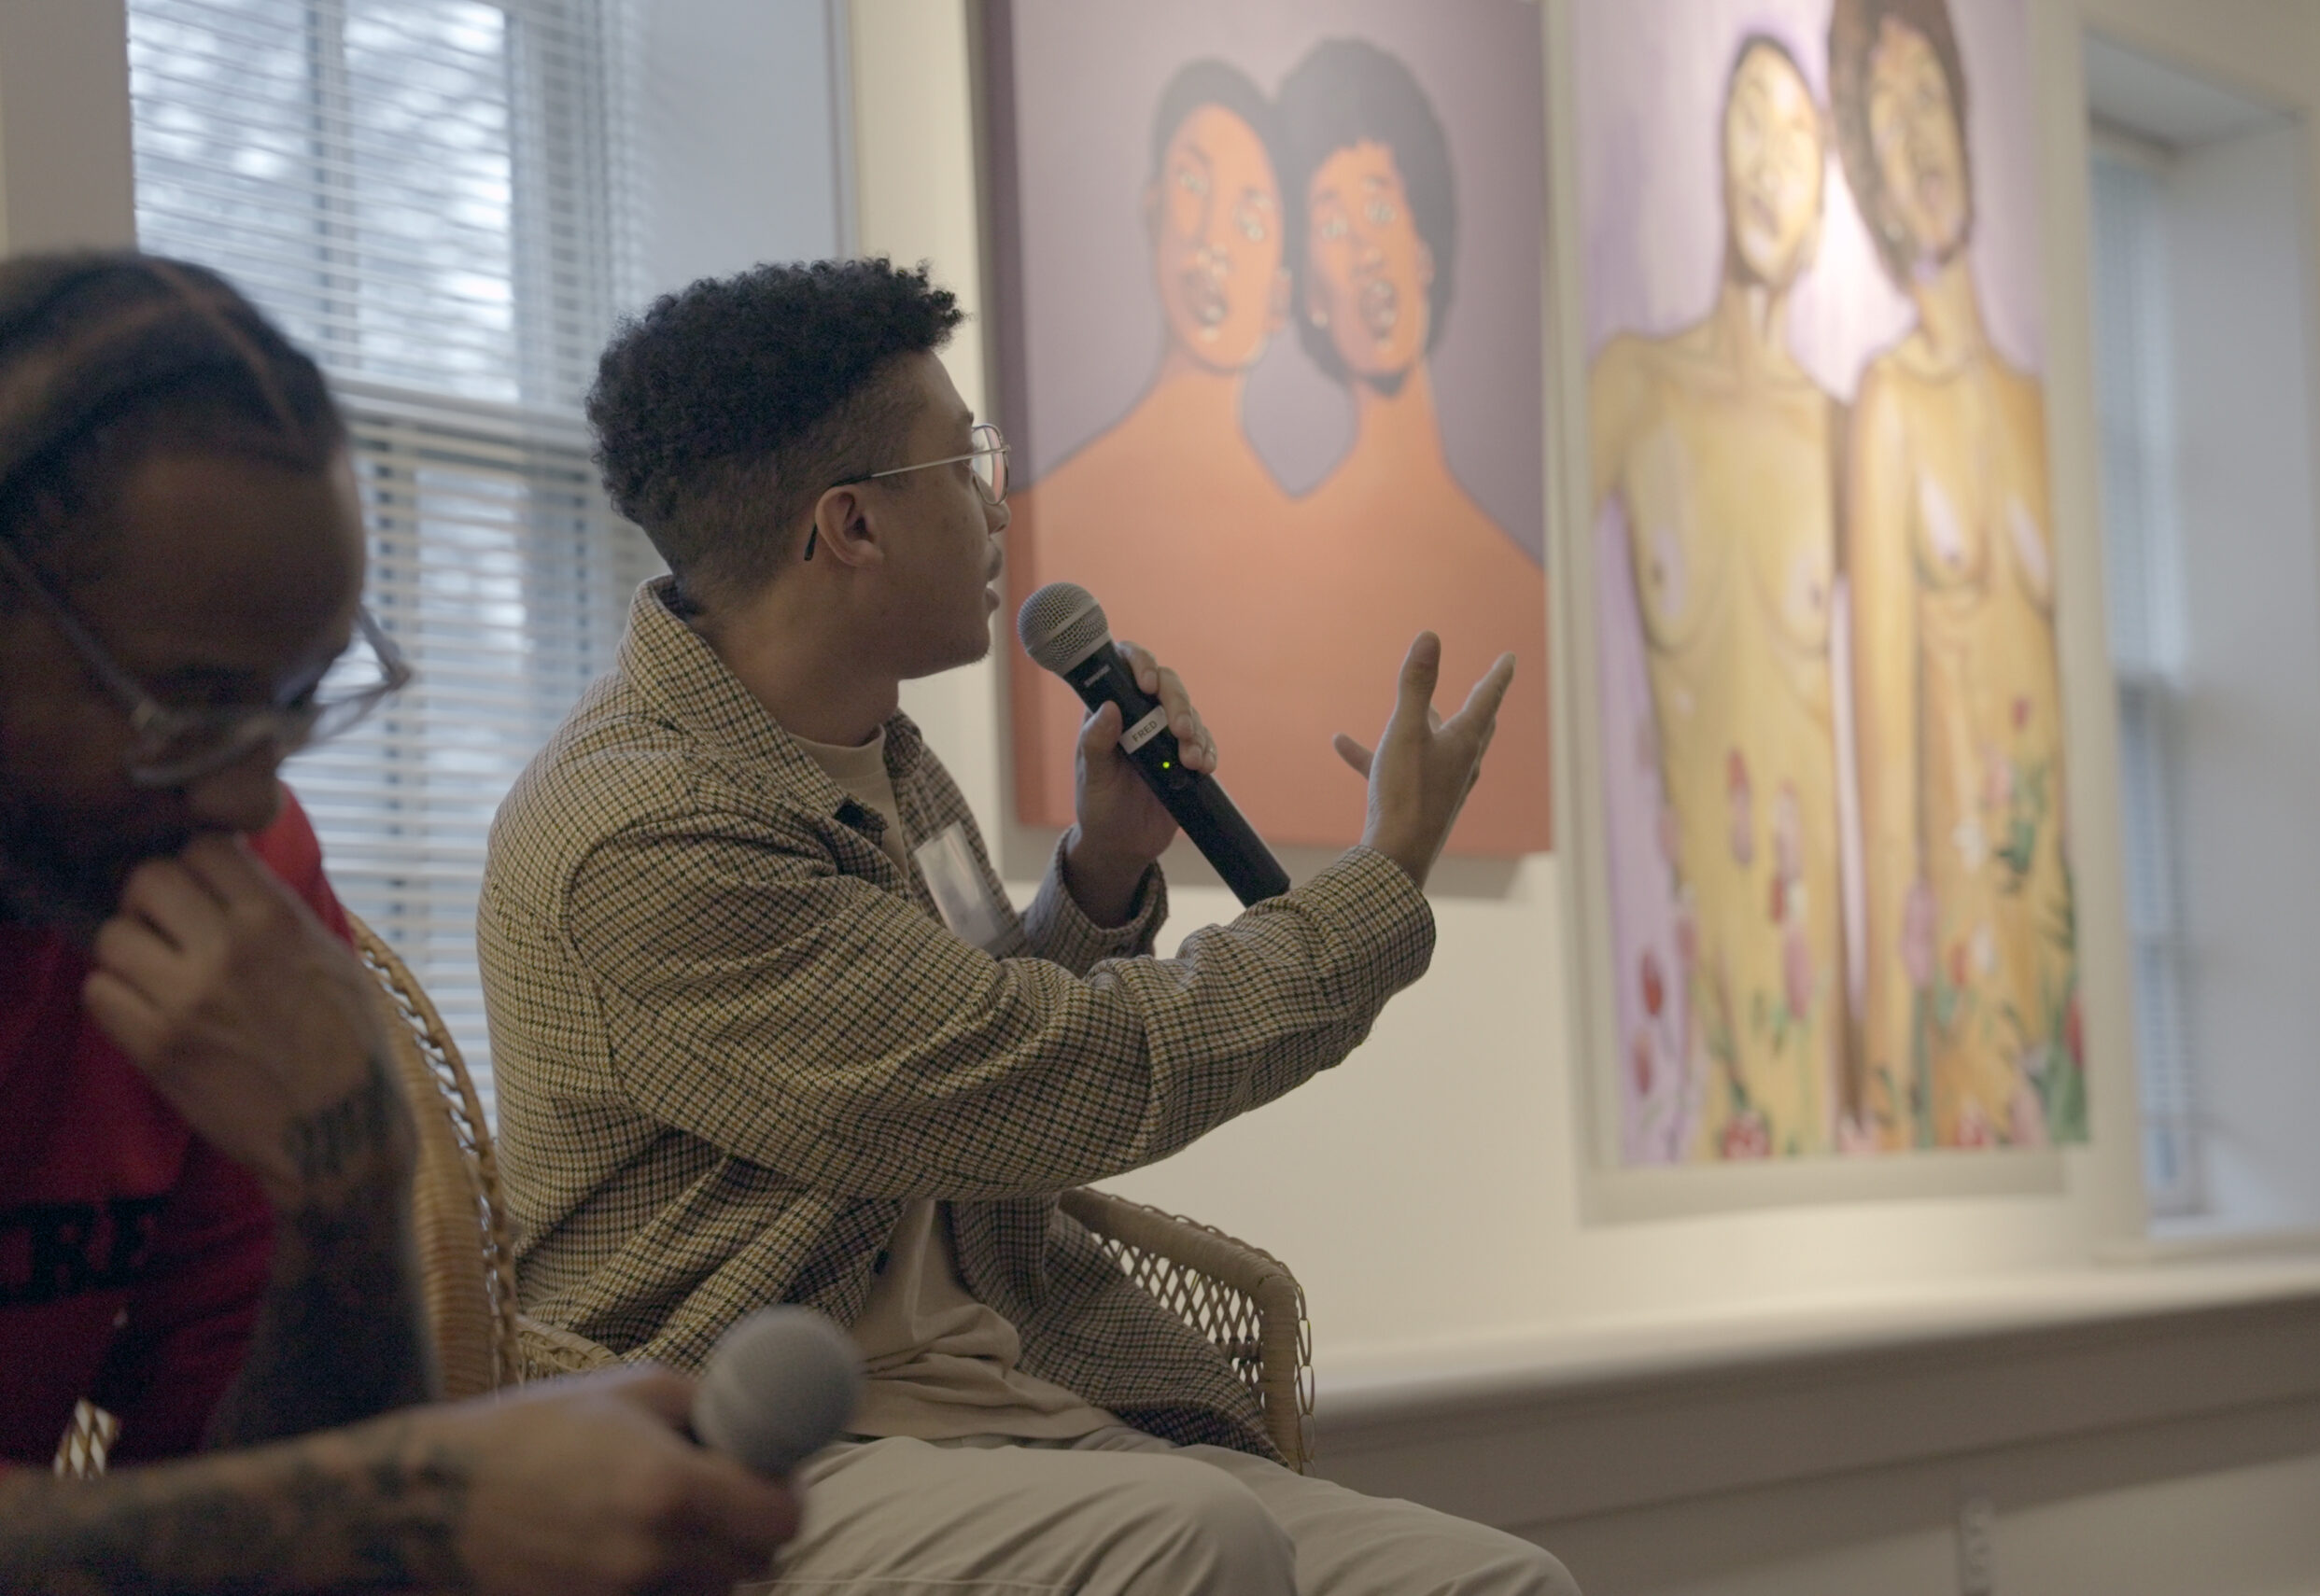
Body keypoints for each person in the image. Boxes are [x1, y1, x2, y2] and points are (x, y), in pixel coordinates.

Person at [479, 256, 1575, 1594]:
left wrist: (1103, 871)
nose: (998, 505)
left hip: (1009, 1393)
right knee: (1194, 1536)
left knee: (1495, 1581)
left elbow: (962, 1030)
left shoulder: (882, 758)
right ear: (851, 525)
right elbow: (1046, 1076)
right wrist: (1384, 871)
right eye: (965, 462)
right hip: (752, 1434)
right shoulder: (643, 835)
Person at [0, 253, 797, 1594]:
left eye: (297, 703)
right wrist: (418, 1498)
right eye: (186, 708)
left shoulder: (231, 874)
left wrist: (351, 1187)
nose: (251, 794)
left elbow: (277, 1515)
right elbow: (339, 1511)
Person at [1586, 35, 1848, 1159]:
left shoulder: (1839, 430)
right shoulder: (1634, 385)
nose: (1768, 161)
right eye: (1747, 117)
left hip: (1807, 991)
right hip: (1675, 993)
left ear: (1826, 198)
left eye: (1797, 135)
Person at [1832, 0, 2077, 1150]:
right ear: (1872, 183)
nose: (1920, 138)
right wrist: (1888, 1089)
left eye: (1930, 97)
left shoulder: (2037, 411)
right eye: (1889, 119)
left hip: (2055, 971)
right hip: (1962, 1008)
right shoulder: (1888, 408)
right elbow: (1886, 792)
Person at [1005, 61, 1302, 842]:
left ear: (1283, 289)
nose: (1212, 240)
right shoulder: (1049, 504)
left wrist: (1109, 859)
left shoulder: (1307, 541)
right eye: (1193, 184)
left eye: (1251, 215)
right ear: (1150, 210)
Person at [1274, 37, 1551, 857]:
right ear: (1309, 293)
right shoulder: (1283, 563)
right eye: (1332, 222)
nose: (1365, 247)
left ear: (1424, 247)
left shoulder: (1519, 577)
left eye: (1381, 204)